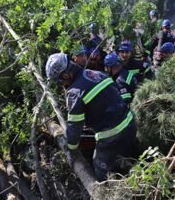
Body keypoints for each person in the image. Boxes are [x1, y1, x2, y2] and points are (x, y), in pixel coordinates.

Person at [45, 53, 138, 181]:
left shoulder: (74, 93)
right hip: (130, 124)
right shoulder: (95, 73)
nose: (61, 84)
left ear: (66, 75)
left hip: (112, 136)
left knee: (100, 169)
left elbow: (74, 127)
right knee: (128, 158)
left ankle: (108, 191)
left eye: (60, 81)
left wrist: (71, 150)